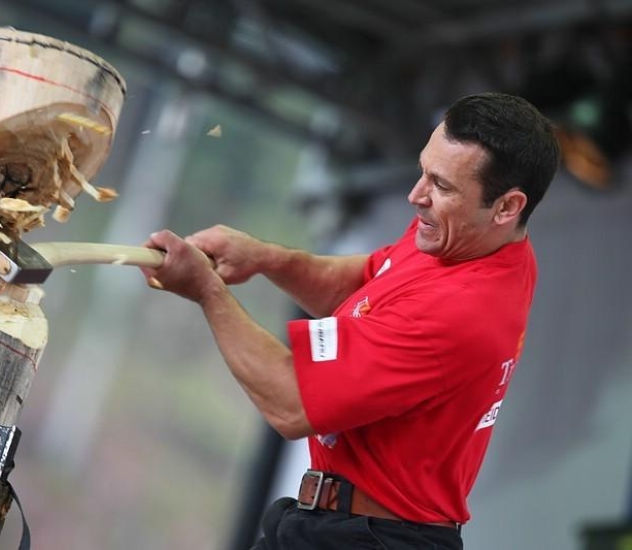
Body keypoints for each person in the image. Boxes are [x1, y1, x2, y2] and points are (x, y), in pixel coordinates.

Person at [140, 92, 560, 549]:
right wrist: (267, 258)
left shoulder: (460, 311)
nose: (416, 195)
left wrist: (206, 290)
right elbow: (366, 287)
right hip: (336, 526)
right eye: (424, 171)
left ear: (507, 207)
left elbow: (291, 404)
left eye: (441, 186)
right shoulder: (470, 241)